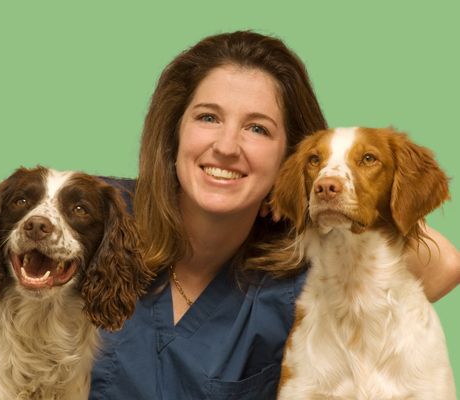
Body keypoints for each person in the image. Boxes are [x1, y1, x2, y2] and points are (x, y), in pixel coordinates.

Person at [89, 31, 459, 399]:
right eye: (208, 118)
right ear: (174, 133)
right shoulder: (90, 214)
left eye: (257, 128)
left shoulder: (299, 276)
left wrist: (336, 200)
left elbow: (446, 264)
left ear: (288, 159)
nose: (226, 146)